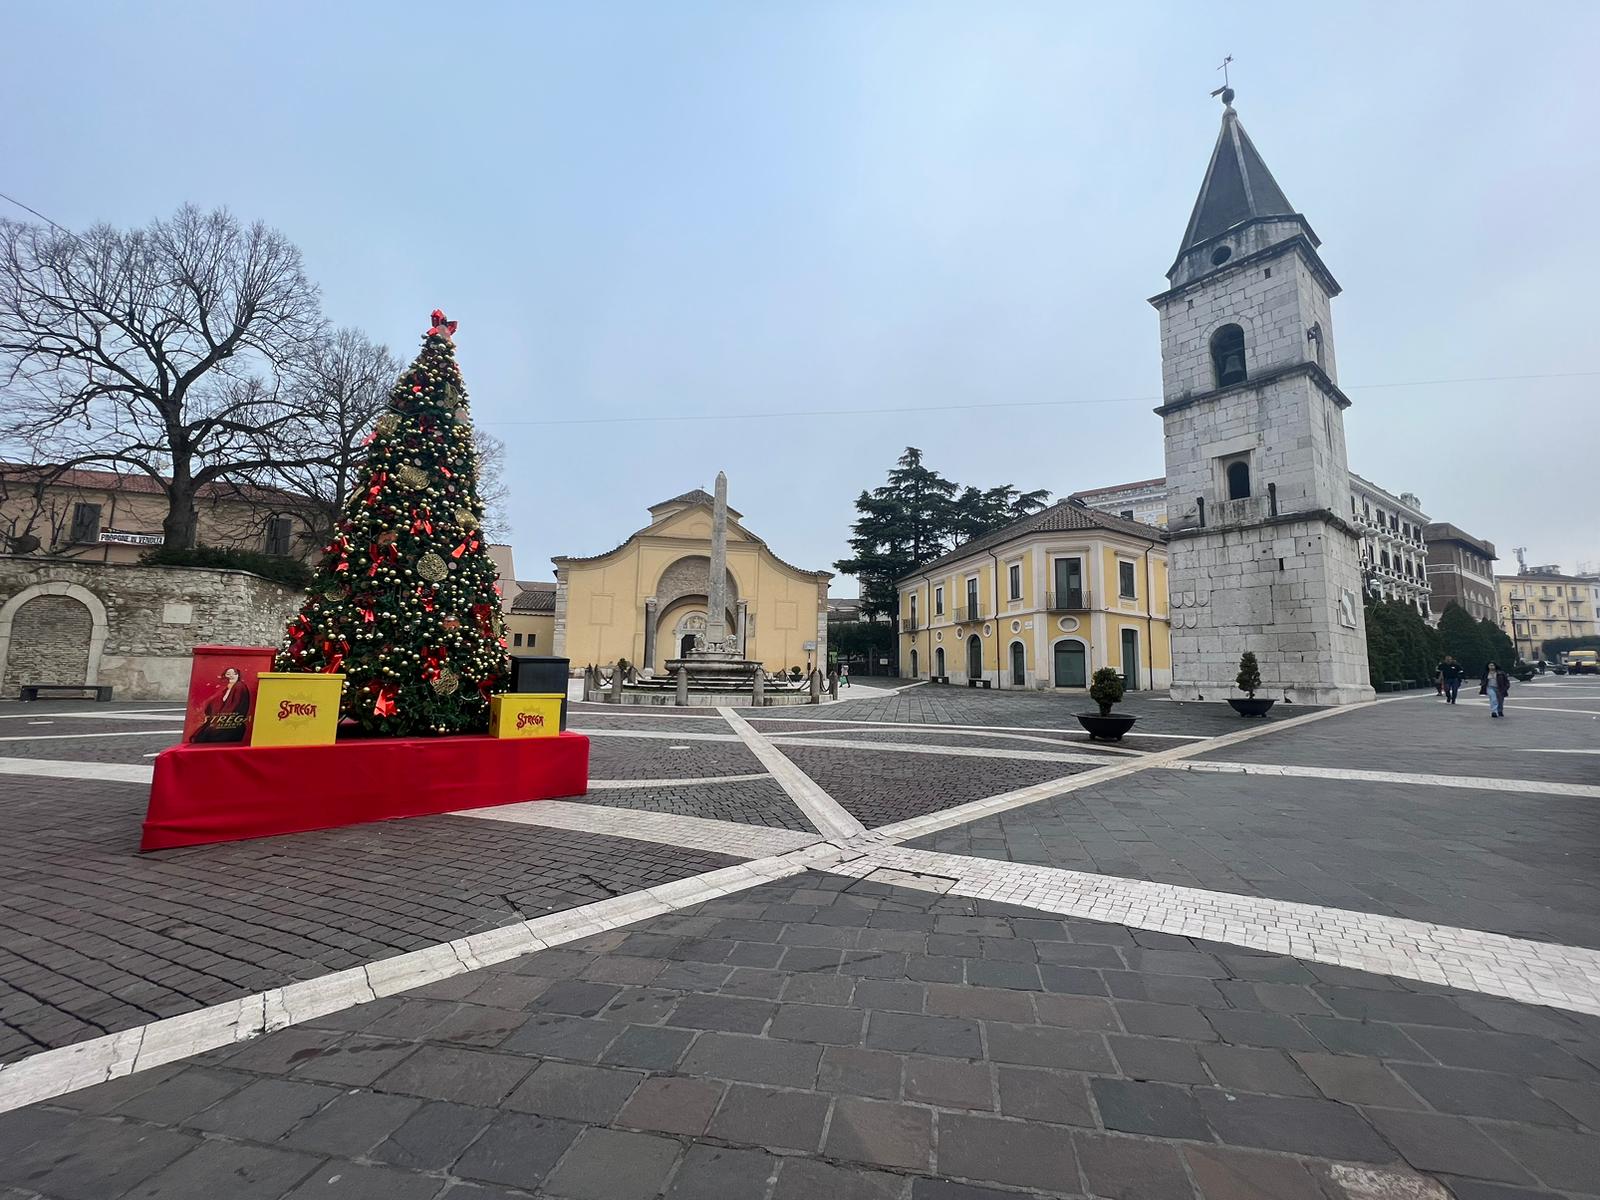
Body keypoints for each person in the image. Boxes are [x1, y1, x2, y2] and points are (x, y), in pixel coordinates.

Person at [191, 666, 251, 743]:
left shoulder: (239, 686)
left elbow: (236, 705)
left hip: (231, 720)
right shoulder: (226, 688)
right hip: (222, 719)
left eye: (234, 674)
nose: (231, 676)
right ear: (224, 676)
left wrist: (221, 718)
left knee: (209, 731)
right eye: (228, 674)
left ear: (238, 675)